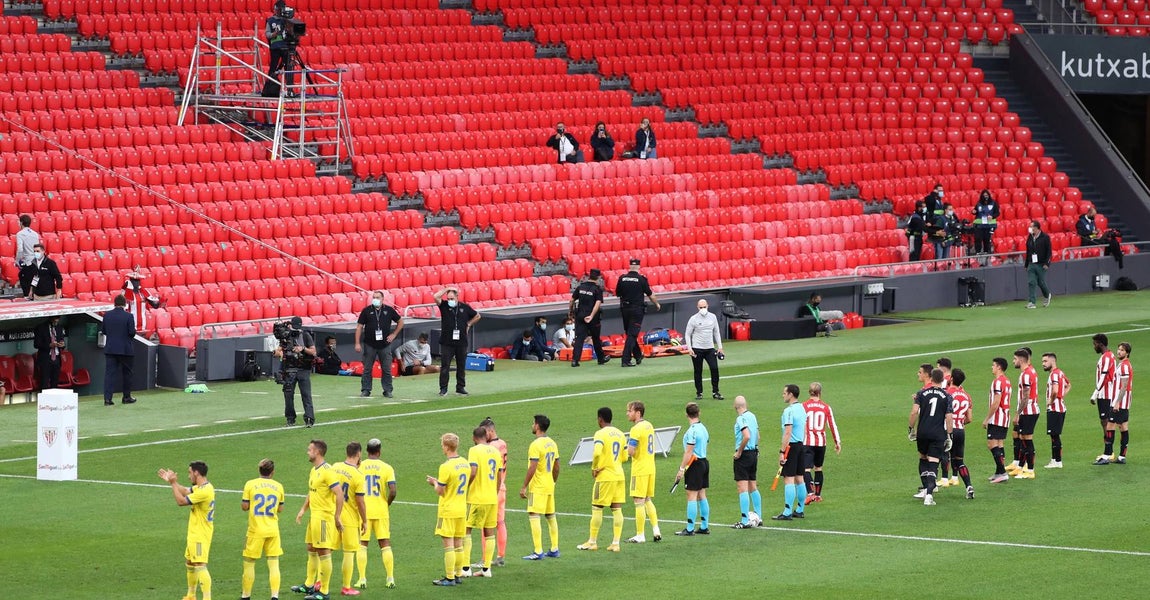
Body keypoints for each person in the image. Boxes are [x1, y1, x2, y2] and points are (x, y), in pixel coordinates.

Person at [291, 440, 345, 600]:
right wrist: (303, 509)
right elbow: (312, 492)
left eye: (310, 450)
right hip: (314, 517)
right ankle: (308, 585)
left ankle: (324, 592)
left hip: (323, 518)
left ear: (318, 452)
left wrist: (337, 516)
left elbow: (340, 494)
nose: (307, 452)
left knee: (323, 551)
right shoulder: (314, 470)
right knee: (311, 548)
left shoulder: (328, 471)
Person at [158, 461, 215, 600]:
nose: (189, 476)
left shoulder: (205, 491)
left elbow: (181, 501)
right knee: (190, 562)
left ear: (196, 473)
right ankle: (191, 595)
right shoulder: (202, 487)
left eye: (190, 473)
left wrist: (173, 484)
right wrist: (172, 482)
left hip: (200, 534)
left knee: (200, 565)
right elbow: (184, 491)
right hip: (194, 532)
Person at [579, 407, 628, 550]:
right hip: (619, 475)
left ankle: (592, 542)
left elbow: (596, 453)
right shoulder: (620, 433)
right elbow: (625, 457)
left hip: (605, 476)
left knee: (597, 508)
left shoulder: (600, 434)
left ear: (600, 419)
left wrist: (595, 468)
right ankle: (616, 543)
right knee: (617, 509)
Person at [426, 433, 469, 586]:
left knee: (448, 544)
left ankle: (450, 578)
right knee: (459, 543)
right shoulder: (465, 463)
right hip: (461, 509)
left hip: (448, 509)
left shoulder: (445, 466)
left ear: (446, 446)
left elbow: (441, 491)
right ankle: (457, 575)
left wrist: (434, 483)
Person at [908, 369, 955, 506]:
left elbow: (914, 412)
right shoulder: (947, 396)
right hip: (937, 434)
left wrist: (911, 429)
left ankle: (924, 489)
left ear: (931, 378)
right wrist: (949, 435)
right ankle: (929, 495)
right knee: (933, 463)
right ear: (942, 380)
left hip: (922, 432)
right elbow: (949, 417)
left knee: (923, 458)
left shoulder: (921, 393)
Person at [240, 459, 285, 600]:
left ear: (259, 470)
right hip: (273, 530)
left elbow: (244, 506)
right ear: (272, 472)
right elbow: (280, 509)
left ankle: (246, 596)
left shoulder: (250, 484)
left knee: (249, 563)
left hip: (255, 531)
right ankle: (275, 596)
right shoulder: (279, 486)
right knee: (273, 563)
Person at [461, 427, 502, 578]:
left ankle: (465, 568)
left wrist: (465, 486)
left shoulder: (474, 451)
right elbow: (499, 476)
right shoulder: (495, 451)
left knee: (467, 529)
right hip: (492, 498)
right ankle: (486, 569)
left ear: (474, 438)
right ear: (486, 436)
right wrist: (495, 492)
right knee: (489, 532)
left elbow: (473, 470)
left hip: (477, 497)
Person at [357, 438, 397, 590]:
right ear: (379, 451)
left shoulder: (360, 466)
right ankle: (390, 578)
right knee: (385, 544)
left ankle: (362, 579)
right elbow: (393, 491)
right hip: (381, 511)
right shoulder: (387, 468)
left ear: (367, 451)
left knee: (362, 544)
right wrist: (386, 504)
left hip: (363, 512)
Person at [520, 414, 561, 560]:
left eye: (533, 423)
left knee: (534, 515)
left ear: (537, 426)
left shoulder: (535, 445)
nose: (532, 425)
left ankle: (538, 551)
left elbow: (533, 467)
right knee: (550, 516)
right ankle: (554, 548)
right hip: (549, 485)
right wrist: (553, 482)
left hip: (537, 487)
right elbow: (557, 466)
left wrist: (524, 486)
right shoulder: (552, 443)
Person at [330, 443, 368, 597]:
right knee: (349, 553)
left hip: (333, 514)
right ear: (359, 454)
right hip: (350, 519)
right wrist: (365, 520)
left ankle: (319, 582)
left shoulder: (334, 467)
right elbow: (360, 502)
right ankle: (346, 587)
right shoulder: (358, 475)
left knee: (326, 551)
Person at [354, 291, 404, 398]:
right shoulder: (366, 311)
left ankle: (387, 390)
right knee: (367, 368)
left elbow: (400, 321)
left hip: (385, 344)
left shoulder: (389, 310)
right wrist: (357, 343)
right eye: (374, 297)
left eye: (377, 297)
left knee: (386, 369)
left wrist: (394, 334)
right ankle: (366, 390)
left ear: (383, 298)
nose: (375, 299)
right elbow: (359, 327)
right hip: (369, 344)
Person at [432, 286, 480, 396]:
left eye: (452, 298)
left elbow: (477, 316)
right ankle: (443, 388)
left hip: (461, 341)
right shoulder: (444, 306)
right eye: (448, 299)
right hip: (447, 342)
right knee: (445, 366)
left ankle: (460, 387)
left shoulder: (465, 308)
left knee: (461, 366)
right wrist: (446, 289)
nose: (450, 301)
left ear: (457, 297)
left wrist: (468, 324)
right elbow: (435, 296)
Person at [625, 401, 661, 542]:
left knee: (638, 501)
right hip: (651, 467)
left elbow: (631, 452)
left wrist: (625, 449)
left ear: (638, 412)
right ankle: (656, 529)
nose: (627, 413)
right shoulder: (649, 425)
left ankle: (640, 535)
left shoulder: (636, 429)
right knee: (647, 499)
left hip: (639, 469)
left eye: (630, 410)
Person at [614, 258, 661, 368]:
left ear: (630, 266)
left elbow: (617, 293)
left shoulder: (622, 278)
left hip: (625, 309)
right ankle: (625, 360)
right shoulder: (642, 279)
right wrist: (657, 304)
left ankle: (638, 355)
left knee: (630, 333)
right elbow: (650, 294)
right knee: (632, 334)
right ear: (639, 267)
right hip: (636, 310)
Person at [674, 402, 710, 536]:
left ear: (686, 415)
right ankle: (704, 526)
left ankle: (689, 528)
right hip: (704, 462)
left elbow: (688, 452)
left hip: (694, 465)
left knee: (692, 495)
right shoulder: (703, 428)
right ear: (698, 413)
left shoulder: (692, 431)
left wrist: (681, 469)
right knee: (702, 494)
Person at [802, 383, 841, 504]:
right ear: (820, 393)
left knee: (806, 469)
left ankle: (810, 493)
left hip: (808, 442)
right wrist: (837, 442)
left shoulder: (804, 406)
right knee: (818, 468)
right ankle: (818, 495)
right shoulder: (826, 407)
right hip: (821, 443)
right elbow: (832, 425)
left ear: (809, 392)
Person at [274, 316, 316, 427]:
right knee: (288, 395)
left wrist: (303, 349)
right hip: (289, 368)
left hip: (303, 369)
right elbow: (278, 351)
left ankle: (309, 418)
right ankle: (290, 418)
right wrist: (279, 353)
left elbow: (313, 351)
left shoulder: (306, 335)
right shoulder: (286, 337)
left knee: (306, 394)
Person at [773, 384, 808, 519]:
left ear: (790, 394)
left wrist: (782, 451)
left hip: (791, 447)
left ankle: (787, 512)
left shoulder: (789, 411)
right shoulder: (802, 408)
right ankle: (800, 509)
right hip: (800, 445)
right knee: (800, 478)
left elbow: (788, 431)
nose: (783, 395)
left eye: (784, 393)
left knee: (789, 479)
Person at [479, 417, 509, 567]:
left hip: (491, 489)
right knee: (500, 522)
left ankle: (486, 558)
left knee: (486, 525)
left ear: (491, 430)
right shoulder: (503, 443)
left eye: (485, 433)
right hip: (502, 487)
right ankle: (500, 556)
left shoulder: (489, 448)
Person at [1008, 348, 1040, 479]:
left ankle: (1030, 470)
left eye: (1015, 359)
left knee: (1027, 440)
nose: (1013, 361)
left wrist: (1017, 414)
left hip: (1029, 411)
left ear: (1021, 360)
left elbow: (1026, 397)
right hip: (1029, 410)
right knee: (1022, 440)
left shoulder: (1026, 374)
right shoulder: (1030, 371)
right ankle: (1021, 467)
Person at [101, 294, 137, 406]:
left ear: (114, 303)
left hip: (111, 349)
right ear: (124, 304)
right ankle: (126, 397)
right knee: (127, 374)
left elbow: (104, 331)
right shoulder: (129, 316)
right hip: (126, 350)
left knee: (109, 375)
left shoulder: (107, 316)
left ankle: (107, 399)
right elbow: (132, 332)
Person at [568, 269, 610, 367]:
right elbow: (597, 303)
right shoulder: (597, 289)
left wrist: (570, 312)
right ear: (598, 278)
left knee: (579, 338)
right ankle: (601, 359)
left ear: (589, 276)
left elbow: (571, 301)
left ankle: (575, 360)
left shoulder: (580, 287)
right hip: (592, 317)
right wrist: (591, 316)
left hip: (580, 315)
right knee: (595, 338)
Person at [731, 395, 761, 529]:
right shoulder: (752, 416)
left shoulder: (740, 418)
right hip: (754, 453)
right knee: (753, 485)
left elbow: (747, 435)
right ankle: (758, 517)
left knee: (742, 488)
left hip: (744, 455)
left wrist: (739, 452)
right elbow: (757, 436)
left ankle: (745, 520)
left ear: (735, 406)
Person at [685, 298, 724, 400]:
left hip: (710, 348)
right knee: (698, 371)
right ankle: (699, 392)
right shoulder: (693, 319)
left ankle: (716, 392)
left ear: (708, 306)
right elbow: (687, 334)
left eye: (704, 307)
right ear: (697, 307)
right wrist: (690, 348)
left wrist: (720, 347)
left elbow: (716, 332)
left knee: (714, 369)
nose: (703, 309)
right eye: (701, 307)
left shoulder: (713, 317)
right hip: (697, 348)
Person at [946, 368, 976, 499]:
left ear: (951, 379)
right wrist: (959, 421)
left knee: (939, 456)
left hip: (948, 430)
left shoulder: (946, 393)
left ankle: (932, 486)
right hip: (960, 431)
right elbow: (969, 418)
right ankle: (969, 486)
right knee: (959, 461)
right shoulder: (966, 396)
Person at [982, 357, 1012, 483]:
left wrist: (987, 418)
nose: (992, 367)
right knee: (999, 444)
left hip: (997, 418)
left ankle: (1003, 472)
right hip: (1005, 417)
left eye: (993, 365)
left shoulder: (998, 382)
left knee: (992, 444)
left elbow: (996, 402)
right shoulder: (1007, 381)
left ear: (999, 367)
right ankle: (999, 471)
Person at [1091, 333, 1118, 464]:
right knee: (1104, 422)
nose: (1094, 346)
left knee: (1107, 422)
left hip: (1106, 394)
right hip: (1104, 394)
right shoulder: (1107, 356)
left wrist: (1095, 393)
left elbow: (1103, 377)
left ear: (1100, 344)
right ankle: (1108, 451)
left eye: (1095, 344)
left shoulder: (1107, 357)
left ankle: (1108, 453)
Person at [1042, 353, 1070, 469]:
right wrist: (1061, 396)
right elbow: (1068, 385)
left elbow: (1055, 390)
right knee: (1054, 435)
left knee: (1054, 436)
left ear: (1052, 362)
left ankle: (1057, 461)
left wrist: (1051, 400)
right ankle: (1055, 460)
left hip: (1055, 408)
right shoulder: (1060, 372)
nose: (1043, 364)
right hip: (1060, 407)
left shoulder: (1054, 374)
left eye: (1045, 361)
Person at [1109, 342, 1133, 464]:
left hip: (1120, 401)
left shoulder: (1124, 366)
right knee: (1123, 427)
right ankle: (1122, 456)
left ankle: (1107, 454)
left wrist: (1117, 402)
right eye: (1118, 349)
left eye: (1122, 350)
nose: (1119, 352)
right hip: (1123, 401)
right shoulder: (1123, 364)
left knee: (1110, 425)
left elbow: (1124, 386)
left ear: (1127, 353)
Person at [121, 267, 163, 335]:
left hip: (142, 325)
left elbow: (155, 305)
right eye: (134, 281)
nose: (136, 283)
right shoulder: (126, 293)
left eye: (138, 281)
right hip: (130, 324)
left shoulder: (144, 292)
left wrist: (160, 302)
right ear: (130, 281)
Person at [264, 0, 294, 95]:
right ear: (276, 9)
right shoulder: (270, 21)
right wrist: (274, 34)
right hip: (275, 48)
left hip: (286, 47)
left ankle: (290, 89)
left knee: (288, 67)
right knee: (273, 68)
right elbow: (267, 34)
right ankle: (268, 88)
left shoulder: (287, 21)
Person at [1024, 220, 1053, 309]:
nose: (1030, 228)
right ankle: (1032, 302)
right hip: (1031, 263)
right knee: (1031, 282)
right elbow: (1028, 250)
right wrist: (1026, 264)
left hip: (1041, 264)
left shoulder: (1045, 237)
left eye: (1031, 226)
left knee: (1041, 282)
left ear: (1036, 228)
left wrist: (1047, 263)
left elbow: (1049, 251)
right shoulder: (1030, 237)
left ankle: (1047, 295)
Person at [33, 315, 65, 390]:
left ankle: (54, 401)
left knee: (55, 382)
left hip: (56, 359)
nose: (56, 321)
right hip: (45, 359)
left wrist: (62, 345)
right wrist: (49, 345)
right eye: (55, 319)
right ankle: (43, 401)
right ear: (50, 318)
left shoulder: (59, 328)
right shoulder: (41, 328)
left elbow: (62, 340)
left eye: (58, 319)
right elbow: (36, 344)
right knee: (44, 382)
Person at [14, 213, 39, 296]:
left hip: (28, 263)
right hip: (36, 262)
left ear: (21, 223)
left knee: (25, 280)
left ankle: (27, 296)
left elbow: (20, 249)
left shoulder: (20, 234)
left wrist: (17, 261)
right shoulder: (35, 234)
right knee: (34, 282)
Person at [972, 189, 999, 254]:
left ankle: (986, 254)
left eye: (986, 195)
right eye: (984, 195)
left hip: (989, 225)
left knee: (987, 240)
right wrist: (973, 212)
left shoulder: (994, 203)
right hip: (979, 226)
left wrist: (992, 216)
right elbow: (975, 211)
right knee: (978, 239)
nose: (985, 197)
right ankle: (977, 253)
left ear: (989, 195)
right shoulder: (979, 203)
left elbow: (997, 213)